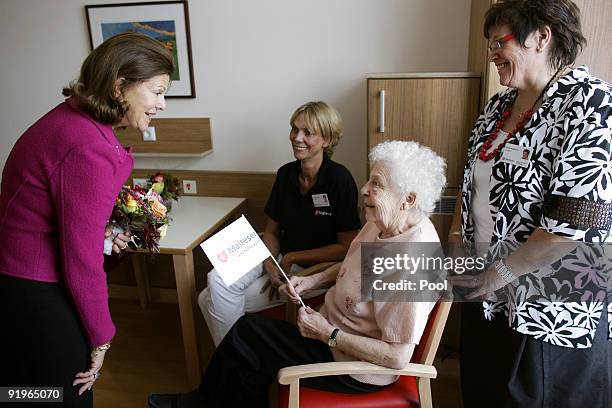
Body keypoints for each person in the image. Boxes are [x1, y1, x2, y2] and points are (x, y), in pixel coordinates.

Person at [149, 140, 447, 408]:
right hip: (335, 334)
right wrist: (314, 279)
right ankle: (205, 400)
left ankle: (201, 402)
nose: (365, 189)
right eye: (369, 179)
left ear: (407, 200)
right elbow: (352, 268)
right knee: (248, 342)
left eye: (377, 184)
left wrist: (328, 334)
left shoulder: (414, 261)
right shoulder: (383, 222)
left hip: (353, 366)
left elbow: (396, 357)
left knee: (248, 339)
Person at [447, 1, 612, 406]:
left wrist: (495, 276)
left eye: (499, 41)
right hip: (485, 298)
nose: (491, 54)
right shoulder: (497, 109)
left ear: (542, 36)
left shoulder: (590, 103)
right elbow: (470, 185)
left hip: (547, 308)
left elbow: (573, 224)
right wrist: (456, 244)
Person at [0, 32, 174, 407]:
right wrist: (102, 336)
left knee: (25, 391)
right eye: (157, 92)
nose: (162, 104)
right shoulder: (90, 146)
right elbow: (80, 259)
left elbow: (64, 214)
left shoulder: (72, 120)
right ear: (119, 86)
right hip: (36, 286)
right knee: (65, 394)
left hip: (17, 277)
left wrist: (110, 233)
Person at [198, 101, 361, 346]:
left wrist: (293, 257)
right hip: (276, 255)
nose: (297, 137)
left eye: (308, 132)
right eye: (294, 129)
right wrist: (272, 267)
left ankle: (234, 365)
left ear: (326, 140)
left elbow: (347, 246)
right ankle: (237, 363)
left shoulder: (340, 179)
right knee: (217, 282)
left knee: (206, 298)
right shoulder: (285, 174)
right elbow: (272, 231)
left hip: (312, 269)